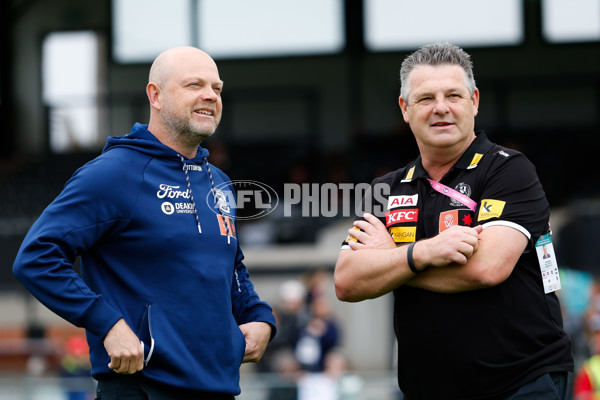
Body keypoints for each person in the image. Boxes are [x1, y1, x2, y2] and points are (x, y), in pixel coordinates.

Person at [13, 46, 276, 400]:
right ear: (156, 95)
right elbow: (36, 256)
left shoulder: (219, 182)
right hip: (143, 389)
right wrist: (106, 322)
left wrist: (259, 317)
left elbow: (232, 269)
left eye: (217, 88)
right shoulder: (113, 174)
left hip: (220, 389)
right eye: (194, 85)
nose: (209, 96)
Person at [334, 43, 573, 399]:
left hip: (522, 383)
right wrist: (424, 253)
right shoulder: (385, 188)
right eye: (425, 98)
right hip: (427, 389)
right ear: (405, 109)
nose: (441, 108)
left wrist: (394, 258)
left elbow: (487, 268)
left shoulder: (509, 169)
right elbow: (347, 281)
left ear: (474, 101)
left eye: (453, 95)